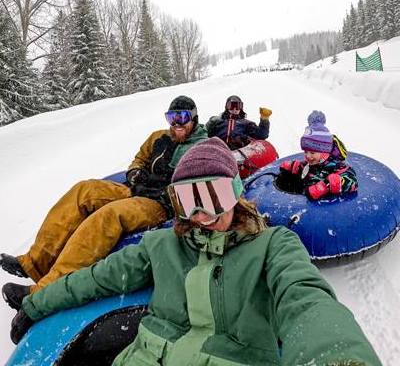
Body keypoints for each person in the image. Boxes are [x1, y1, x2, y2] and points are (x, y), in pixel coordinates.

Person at [10, 138, 381, 366]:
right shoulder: (161, 246)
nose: (202, 215)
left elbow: (307, 302)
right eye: (189, 201)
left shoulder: (273, 246)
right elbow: (96, 278)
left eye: (214, 196)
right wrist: (35, 304)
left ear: (236, 193)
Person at [0, 95, 208, 310]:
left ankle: (45, 290)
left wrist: (167, 189)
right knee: (84, 190)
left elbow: (196, 186)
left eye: (182, 117)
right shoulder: (158, 137)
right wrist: (136, 172)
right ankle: (35, 262)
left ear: (194, 118)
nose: (176, 123)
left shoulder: (201, 147)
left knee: (108, 216)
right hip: (135, 189)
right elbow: (140, 159)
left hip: (160, 203)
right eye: (171, 117)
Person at [279, 110, 358, 200]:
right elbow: (308, 170)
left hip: (326, 209)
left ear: (324, 152)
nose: (308, 156)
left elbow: (352, 181)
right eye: (305, 152)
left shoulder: (335, 166)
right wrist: (297, 167)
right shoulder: (313, 163)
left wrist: (327, 185)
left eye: (312, 152)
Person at [206, 95, 272, 150]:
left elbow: (261, 135)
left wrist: (264, 119)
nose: (234, 109)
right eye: (231, 106)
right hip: (219, 152)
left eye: (237, 106)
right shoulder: (217, 121)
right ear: (226, 107)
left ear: (241, 108)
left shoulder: (246, 123)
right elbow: (204, 135)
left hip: (239, 153)